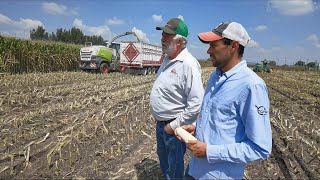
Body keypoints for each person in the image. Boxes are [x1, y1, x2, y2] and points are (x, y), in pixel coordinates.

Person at [175, 22, 272, 179]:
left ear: (233, 46)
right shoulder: (215, 76)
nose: (208, 51)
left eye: (213, 45)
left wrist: (209, 151)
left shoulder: (251, 86)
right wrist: (196, 129)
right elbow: (219, 121)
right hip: (195, 170)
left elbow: (260, 148)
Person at [149, 17, 204, 179]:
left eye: (167, 35)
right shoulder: (167, 59)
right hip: (161, 124)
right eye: (163, 34)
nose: (162, 38)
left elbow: (196, 103)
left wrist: (172, 126)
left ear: (179, 41)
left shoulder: (189, 64)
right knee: (165, 164)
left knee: (174, 168)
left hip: (174, 128)